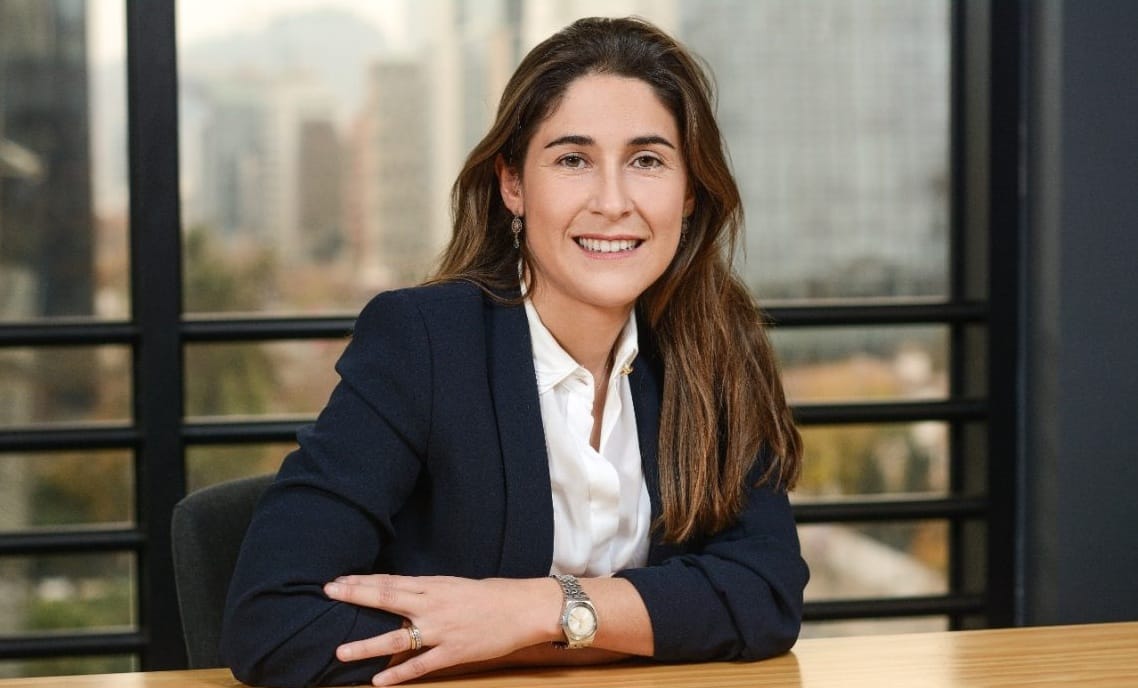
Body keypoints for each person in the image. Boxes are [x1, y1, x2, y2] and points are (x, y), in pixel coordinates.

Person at [220, 16, 807, 687]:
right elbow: (272, 622)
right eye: (572, 159)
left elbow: (765, 593)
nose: (613, 202)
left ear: (690, 191)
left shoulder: (717, 344)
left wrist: (537, 611)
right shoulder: (425, 344)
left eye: (646, 161)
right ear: (513, 185)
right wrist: (598, 631)